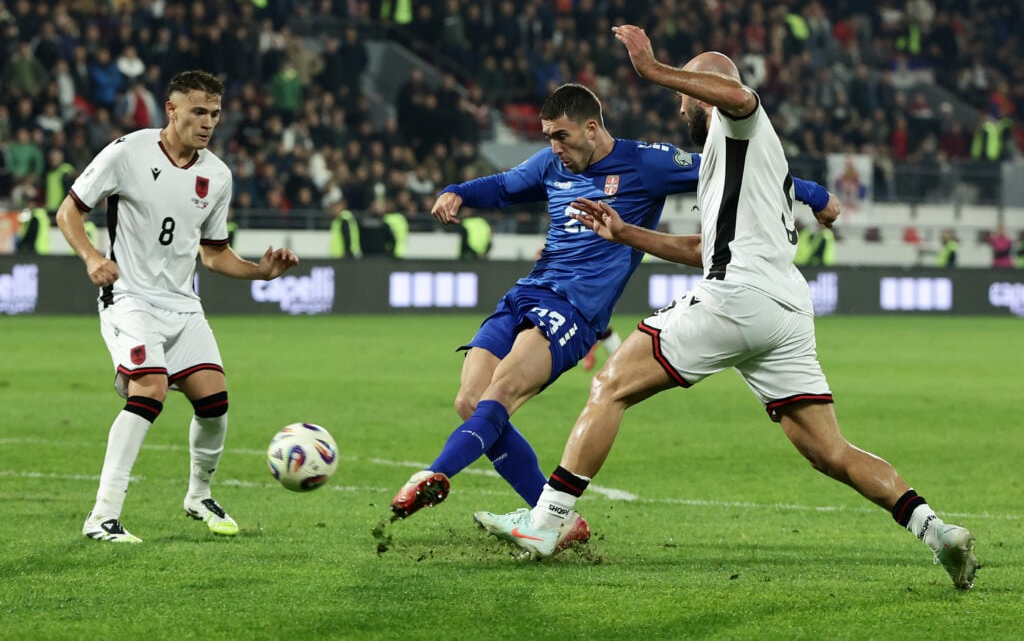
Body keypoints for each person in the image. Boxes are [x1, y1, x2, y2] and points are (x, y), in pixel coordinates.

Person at [475, 29, 978, 590]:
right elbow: (700, 249)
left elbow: (739, 97)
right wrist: (625, 233)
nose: (680, 103)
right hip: (782, 308)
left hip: (739, 296)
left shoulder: (740, 125)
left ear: (704, 94)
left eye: (686, 95)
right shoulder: (727, 164)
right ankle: (938, 531)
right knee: (828, 450)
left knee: (611, 384)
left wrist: (655, 68)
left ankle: (546, 522)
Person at [387, 82, 838, 551]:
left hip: (573, 309)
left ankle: (436, 472)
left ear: (592, 127)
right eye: (547, 137)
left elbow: (738, 173)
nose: (554, 148)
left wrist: (814, 194)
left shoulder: (647, 163)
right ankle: (553, 516)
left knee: (502, 391)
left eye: (561, 136)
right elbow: (503, 187)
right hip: (525, 293)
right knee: (470, 400)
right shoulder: (550, 164)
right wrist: (457, 191)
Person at [56, 70, 300, 543]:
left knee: (214, 403)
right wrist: (91, 257)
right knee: (150, 390)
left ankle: (198, 495)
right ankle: (102, 516)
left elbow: (212, 254)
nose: (208, 123)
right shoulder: (128, 151)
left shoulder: (217, 175)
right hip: (129, 297)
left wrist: (259, 272)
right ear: (172, 110)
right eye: (198, 112)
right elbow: (69, 210)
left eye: (214, 114)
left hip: (183, 305)